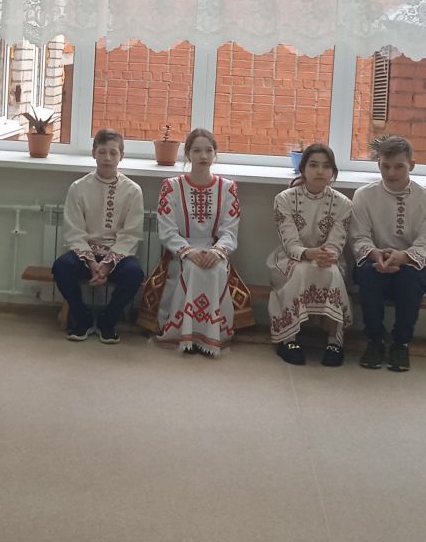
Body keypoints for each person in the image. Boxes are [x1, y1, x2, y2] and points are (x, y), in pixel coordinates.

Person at [137, 128, 255, 357]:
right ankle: (186, 335)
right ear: (187, 154)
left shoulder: (228, 188)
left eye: (208, 150)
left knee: (216, 269)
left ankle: (210, 336)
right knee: (191, 268)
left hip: (214, 249)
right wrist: (188, 251)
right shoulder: (171, 186)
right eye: (197, 150)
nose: (203, 156)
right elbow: (167, 230)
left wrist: (217, 251)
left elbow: (230, 230)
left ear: (215, 154)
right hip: (179, 252)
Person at [347, 134, 426, 373]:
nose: (391, 173)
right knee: (369, 274)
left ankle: (401, 343)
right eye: (385, 166)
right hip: (374, 262)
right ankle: (374, 341)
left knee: (409, 277)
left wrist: (402, 257)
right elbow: (359, 237)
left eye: (399, 166)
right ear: (378, 164)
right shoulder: (364, 195)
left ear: (412, 165)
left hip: (411, 267)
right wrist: (376, 255)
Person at [51, 128, 144, 344]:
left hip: (118, 255)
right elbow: (74, 231)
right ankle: (82, 318)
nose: (107, 158)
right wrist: (92, 263)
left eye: (113, 152)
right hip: (86, 253)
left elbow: (130, 234)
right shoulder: (78, 188)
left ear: (121, 156)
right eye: (102, 152)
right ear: (94, 153)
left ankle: (107, 321)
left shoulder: (133, 191)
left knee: (134, 274)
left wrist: (108, 264)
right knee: (61, 267)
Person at [267, 143, 353, 367]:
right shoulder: (284, 199)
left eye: (326, 166)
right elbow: (290, 242)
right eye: (313, 165)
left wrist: (325, 255)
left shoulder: (344, 204)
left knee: (331, 272)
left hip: (328, 259)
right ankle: (288, 339)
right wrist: (308, 253)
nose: (320, 171)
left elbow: (336, 243)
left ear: (333, 172)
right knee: (301, 270)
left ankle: (334, 341)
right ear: (303, 169)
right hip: (290, 258)